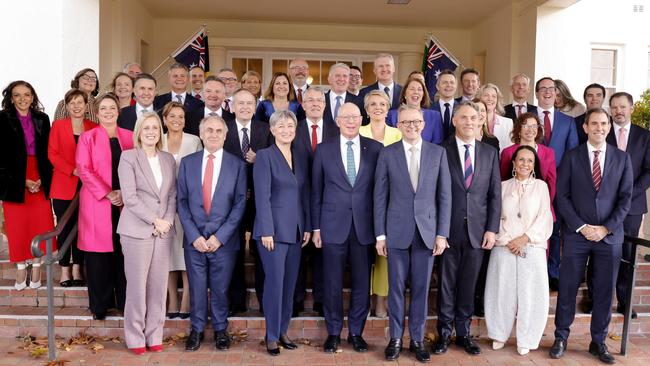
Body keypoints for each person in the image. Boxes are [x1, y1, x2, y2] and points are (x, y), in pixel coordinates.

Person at [550, 108, 633, 364]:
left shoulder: (622, 158)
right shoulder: (572, 157)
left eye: (603, 124)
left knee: (605, 290)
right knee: (567, 288)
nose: (599, 128)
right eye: (594, 124)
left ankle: (598, 342)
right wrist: (580, 226)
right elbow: (561, 196)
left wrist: (606, 228)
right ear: (585, 128)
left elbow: (625, 199)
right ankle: (561, 337)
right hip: (577, 236)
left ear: (609, 127)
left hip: (609, 237)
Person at [375, 104, 452, 362]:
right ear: (398, 125)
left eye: (416, 122)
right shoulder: (387, 154)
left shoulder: (437, 153)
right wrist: (380, 236)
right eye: (406, 122)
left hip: (426, 233)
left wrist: (441, 234)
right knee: (395, 288)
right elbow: (380, 197)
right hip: (396, 231)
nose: (411, 126)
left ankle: (417, 339)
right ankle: (395, 338)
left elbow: (445, 196)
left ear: (423, 124)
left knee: (421, 289)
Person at [311, 103, 382, 354]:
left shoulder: (375, 148)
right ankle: (333, 332)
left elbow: (380, 193)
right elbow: (316, 191)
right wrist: (316, 228)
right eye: (346, 117)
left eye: (355, 117)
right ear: (337, 120)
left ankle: (356, 332)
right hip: (332, 226)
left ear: (361, 119)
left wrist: (380, 231)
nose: (351, 121)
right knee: (332, 282)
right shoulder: (323, 150)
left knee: (362, 283)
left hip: (364, 227)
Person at [434, 101, 501, 356]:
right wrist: (438, 230)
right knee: (446, 285)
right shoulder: (441, 150)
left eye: (474, 118)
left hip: (478, 230)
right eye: (464, 118)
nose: (469, 122)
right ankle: (443, 334)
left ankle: (463, 334)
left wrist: (491, 229)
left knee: (468, 284)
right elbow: (435, 193)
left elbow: (495, 195)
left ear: (480, 121)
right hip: (448, 230)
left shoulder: (489, 152)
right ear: (454, 121)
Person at [177, 115, 247, 352]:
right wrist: (194, 235)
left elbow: (239, 204)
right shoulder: (187, 163)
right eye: (209, 130)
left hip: (223, 241)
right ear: (202, 134)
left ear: (225, 135)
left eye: (219, 131)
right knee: (197, 286)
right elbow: (182, 202)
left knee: (220, 288)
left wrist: (220, 236)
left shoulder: (236, 165)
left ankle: (220, 329)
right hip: (194, 239)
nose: (214, 134)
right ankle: (196, 330)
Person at [117, 112, 176, 355]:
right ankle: (135, 336)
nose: (151, 131)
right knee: (137, 287)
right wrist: (155, 220)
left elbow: (172, 194)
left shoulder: (168, 159)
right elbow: (129, 198)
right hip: (136, 231)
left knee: (158, 287)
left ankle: (155, 334)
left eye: (154, 127)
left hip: (163, 233)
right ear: (139, 132)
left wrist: (167, 222)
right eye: (146, 128)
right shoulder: (128, 157)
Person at [253, 110, 311, 356]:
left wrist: (307, 226)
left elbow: (304, 194)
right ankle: (271, 335)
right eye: (281, 126)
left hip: (296, 231)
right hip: (273, 233)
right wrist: (266, 229)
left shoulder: (300, 155)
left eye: (290, 126)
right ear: (273, 130)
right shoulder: (265, 157)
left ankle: (283, 330)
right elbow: (262, 196)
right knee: (275, 285)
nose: (286, 130)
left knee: (289, 286)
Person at [485, 145, 553, 356]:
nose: (525, 164)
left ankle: (527, 337)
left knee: (531, 293)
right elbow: (494, 215)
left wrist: (524, 239)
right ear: (513, 162)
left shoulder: (541, 187)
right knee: (500, 290)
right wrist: (506, 240)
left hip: (531, 246)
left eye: (530, 161)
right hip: (504, 245)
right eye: (521, 160)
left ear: (534, 165)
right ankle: (498, 333)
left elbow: (544, 217)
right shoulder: (502, 185)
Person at [76, 93, 134, 320]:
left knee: (124, 254)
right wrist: (108, 193)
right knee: (98, 258)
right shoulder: (87, 138)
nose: (108, 111)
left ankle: (125, 303)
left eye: (112, 107)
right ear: (97, 113)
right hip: (97, 202)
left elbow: (138, 168)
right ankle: (100, 306)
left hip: (126, 203)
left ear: (118, 111)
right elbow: (84, 169)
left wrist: (124, 193)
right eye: (104, 108)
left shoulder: (129, 137)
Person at [595, 92, 650, 319]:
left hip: (633, 205)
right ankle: (595, 298)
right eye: (614, 107)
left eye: (622, 107)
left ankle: (624, 301)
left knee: (627, 254)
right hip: (604, 205)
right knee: (600, 252)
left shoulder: (645, 136)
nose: (618, 111)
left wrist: (629, 194)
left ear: (631, 108)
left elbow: (648, 170)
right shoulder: (603, 133)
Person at [0, 80, 55, 290]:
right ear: (11, 98)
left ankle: (37, 264)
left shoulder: (42, 118)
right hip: (14, 178)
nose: (23, 99)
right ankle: (21, 266)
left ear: (33, 97)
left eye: (27, 94)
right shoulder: (2, 118)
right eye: (17, 95)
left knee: (41, 223)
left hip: (39, 175)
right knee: (17, 225)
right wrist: (22, 181)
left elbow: (48, 151)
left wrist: (42, 177)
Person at [223, 89, 273, 315]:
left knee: (261, 252)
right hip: (230, 201)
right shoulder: (222, 127)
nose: (244, 107)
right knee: (233, 251)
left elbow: (275, 159)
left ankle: (265, 301)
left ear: (255, 106)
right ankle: (236, 301)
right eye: (240, 103)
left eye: (249, 103)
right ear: (232, 106)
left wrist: (259, 158)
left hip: (260, 201)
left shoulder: (265, 128)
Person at [292, 87, 336, 316]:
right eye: (311, 101)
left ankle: (320, 300)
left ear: (325, 105)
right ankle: (296, 300)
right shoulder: (292, 129)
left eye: (320, 101)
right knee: (298, 253)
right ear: (303, 105)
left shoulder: (336, 130)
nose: (316, 104)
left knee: (322, 254)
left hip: (326, 200)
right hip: (297, 199)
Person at [360, 90, 402, 318]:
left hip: (390, 199)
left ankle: (381, 300)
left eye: (382, 104)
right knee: (365, 253)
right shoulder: (358, 131)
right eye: (373, 104)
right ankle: (363, 298)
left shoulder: (397, 133)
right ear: (366, 110)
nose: (377, 107)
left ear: (388, 109)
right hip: (363, 199)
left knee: (385, 254)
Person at [49, 89, 97, 287]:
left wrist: (85, 172)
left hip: (87, 186)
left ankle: (78, 267)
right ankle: (65, 269)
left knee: (83, 228)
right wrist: (73, 170)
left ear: (86, 106)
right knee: (64, 227)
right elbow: (52, 154)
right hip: (63, 184)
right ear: (66, 106)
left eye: (80, 102)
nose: (76, 106)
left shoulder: (93, 127)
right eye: (72, 103)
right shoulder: (58, 126)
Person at [535, 76, 578, 291]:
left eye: (551, 89)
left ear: (556, 93)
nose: (547, 92)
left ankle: (552, 273)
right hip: (532, 184)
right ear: (536, 93)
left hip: (559, 186)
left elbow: (572, 154)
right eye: (543, 89)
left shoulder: (567, 122)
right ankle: (534, 272)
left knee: (555, 229)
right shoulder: (527, 118)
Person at [160, 101, 202, 319]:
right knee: (167, 254)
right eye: (172, 116)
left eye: (181, 116)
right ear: (164, 119)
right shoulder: (158, 140)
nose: (177, 120)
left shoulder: (194, 141)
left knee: (186, 254)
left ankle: (186, 298)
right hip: (163, 204)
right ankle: (172, 299)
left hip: (187, 204)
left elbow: (200, 171)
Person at [500, 113, 557, 209]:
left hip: (541, 207)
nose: (530, 129)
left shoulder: (549, 152)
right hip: (513, 207)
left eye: (534, 126)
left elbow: (551, 183)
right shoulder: (507, 152)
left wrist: (543, 204)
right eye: (526, 126)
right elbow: (503, 181)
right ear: (518, 129)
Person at [387, 77, 444, 144]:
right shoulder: (392, 115)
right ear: (405, 94)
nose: (416, 92)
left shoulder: (434, 116)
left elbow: (437, 144)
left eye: (419, 89)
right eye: (412, 89)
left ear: (423, 95)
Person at [476, 83, 513, 151]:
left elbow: (510, 150)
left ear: (497, 100)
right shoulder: (473, 122)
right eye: (486, 95)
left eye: (494, 96)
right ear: (479, 98)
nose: (490, 99)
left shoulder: (508, 123)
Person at [431, 70, 458, 140]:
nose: (449, 85)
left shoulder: (462, 109)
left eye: (452, 82)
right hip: (435, 148)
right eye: (445, 82)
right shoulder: (429, 109)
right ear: (437, 86)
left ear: (456, 86)